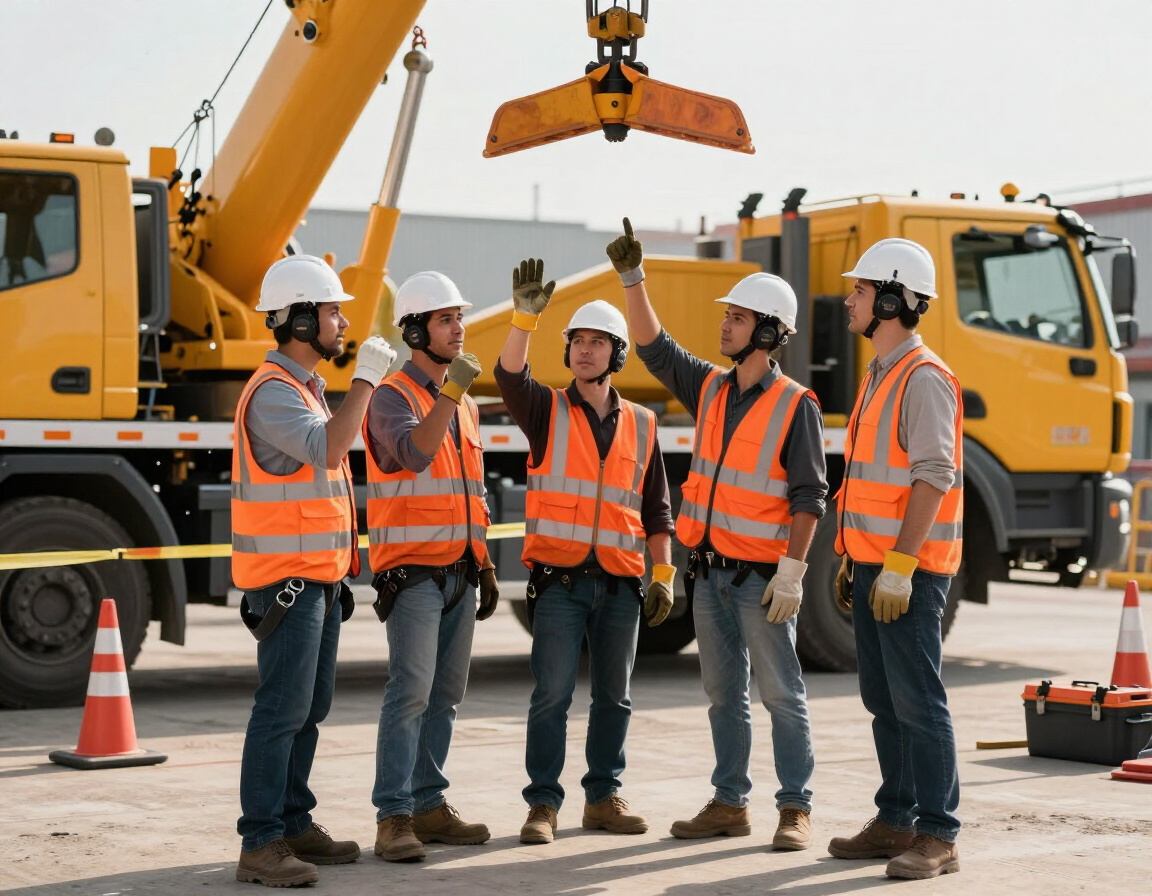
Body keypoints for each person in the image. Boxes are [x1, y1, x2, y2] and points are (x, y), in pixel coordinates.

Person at [609, 219, 827, 851]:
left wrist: (793, 574)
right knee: (722, 696)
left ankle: (795, 808)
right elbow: (655, 348)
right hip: (708, 576)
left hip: (761, 582)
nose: (725, 326)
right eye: (727, 316)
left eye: (736, 318)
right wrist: (633, 280)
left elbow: (809, 498)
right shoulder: (709, 386)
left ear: (767, 332)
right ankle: (730, 802)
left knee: (782, 695)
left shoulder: (797, 405)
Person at [494, 259, 676, 845]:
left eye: (598, 342)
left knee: (614, 698)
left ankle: (602, 798)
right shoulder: (545, 410)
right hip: (560, 583)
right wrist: (524, 320)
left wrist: (663, 573)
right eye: (577, 341)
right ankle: (542, 805)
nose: (585, 350)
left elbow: (656, 509)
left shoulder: (643, 423)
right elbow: (508, 376)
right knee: (551, 695)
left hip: (621, 583)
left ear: (617, 354)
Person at [232, 254, 396, 887]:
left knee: (309, 706)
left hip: (316, 581)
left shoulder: (304, 390)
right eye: (332, 311)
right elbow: (330, 449)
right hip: (286, 582)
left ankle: (293, 821)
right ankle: (260, 842)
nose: (343, 322)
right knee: (282, 709)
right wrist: (367, 381)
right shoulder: (274, 391)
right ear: (300, 320)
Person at [827, 239, 962, 880]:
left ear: (890, 300)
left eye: (859, 290)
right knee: (884, 700)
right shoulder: (880, 373)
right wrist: (852, 557)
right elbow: (866, 481)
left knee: (919, 702)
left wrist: (902, 565)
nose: (848, 300)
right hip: (874, 566)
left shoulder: (923, 377)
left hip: (910, 572)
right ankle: (896, 819)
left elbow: (933, 475)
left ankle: (939, 834)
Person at [363, 271, 498, 862]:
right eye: (446, 320)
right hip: (413, 572)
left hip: (461, 571)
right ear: (415, 331)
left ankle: (429, 804)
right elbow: (413, 455)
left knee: (445, 695)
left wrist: (484, 565)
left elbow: (473, 492)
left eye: (459, 318)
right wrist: (449, 396)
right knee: (411, 693)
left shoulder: (463, 402)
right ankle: (393, 816)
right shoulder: (391, 396)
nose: (458, 329)